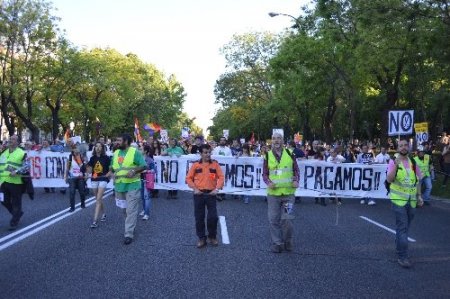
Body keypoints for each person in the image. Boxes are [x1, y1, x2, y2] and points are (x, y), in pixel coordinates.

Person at [386, 138, 423, 268]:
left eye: (405, 145)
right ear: (397, 148)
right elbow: (389, 180)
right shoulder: (393, 161)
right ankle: (403, 256)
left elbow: (417, 180)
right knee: (402, 228)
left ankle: (399, 245)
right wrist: (395, 165)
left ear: (409, 147)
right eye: (400, 145)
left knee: (405, 227)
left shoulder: (413, 161)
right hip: (398, 201)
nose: (403, 147)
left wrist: (419, 196)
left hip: (412, 201)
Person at [262, 132, 300, 253]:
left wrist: (296, 180)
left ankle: (288, 240)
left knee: (288, 220)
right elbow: (264, 173)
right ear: (271, 141)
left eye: (279, 138)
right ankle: (277, 243)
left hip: (288, 194)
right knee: (273, 219)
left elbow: (296, 170)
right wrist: (268, 182)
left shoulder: (290, 153)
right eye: (274, 139)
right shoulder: (267, 155)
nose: (276, 141)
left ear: (283, 141)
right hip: (273, 195)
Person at [106, 134, 147, 245]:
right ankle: (130, 226)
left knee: (131, 210)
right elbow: (112, 166)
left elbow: (144, 166)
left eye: (119, 140)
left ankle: (128, 234)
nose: (116, 142)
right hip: (119, 186)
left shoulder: (135, 152)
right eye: (116, 140)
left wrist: (134, 171)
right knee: (124, 210)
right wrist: (110, 171)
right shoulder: (115, 153)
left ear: (126, 141)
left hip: (133, 185)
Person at [186, 144, 224, 248]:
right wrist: (195, 189)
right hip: (199, 195)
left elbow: (221, 177)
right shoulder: (195, 165)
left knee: (213, 217)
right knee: (199, 217)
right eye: (205, 152)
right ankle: (202, 238)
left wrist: (217, 189)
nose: (208, 154)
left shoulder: (215, 165)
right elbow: (188, 178)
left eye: (209, 152)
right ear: (201, 154)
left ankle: (212, 236)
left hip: (211, 194)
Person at [0, 135, 29, 230]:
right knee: (3, 200)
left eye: (13, 139)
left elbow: (27, 166)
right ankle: (17, 214)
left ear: (18, 142)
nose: (10, 140)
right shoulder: (4, 152)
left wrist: (16, 172)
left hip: (15, 182)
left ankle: (14, 221)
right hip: (3, 181)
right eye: (10, 139)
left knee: (16, 202)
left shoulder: (22, 153)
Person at [86, 142, 111, 228]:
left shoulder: (107, 158)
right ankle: (103, 213)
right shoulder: (92, 158)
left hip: (103, 178)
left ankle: (95, 221)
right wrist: (86, 167)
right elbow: (89, 171)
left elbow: (111, 169)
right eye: (96, 146)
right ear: (94, 148)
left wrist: (109, 175)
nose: (98, 148)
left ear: (102, 148)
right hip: (94, 179)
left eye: (100, 146)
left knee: (98, 199)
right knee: (98, 199)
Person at [64, 147, 87, 212]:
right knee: (72, 192)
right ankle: (72, 207)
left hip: (80, 177)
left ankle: (83, 203)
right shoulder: (70, 158)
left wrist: (86, 175)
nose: (76, 150)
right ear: (72, 150)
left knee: (82, 192)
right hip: (72, 177)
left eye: (77, 149)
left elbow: (86, 167)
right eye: (75, 149)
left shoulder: (81, 157)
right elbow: (67, 168)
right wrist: (65, 177)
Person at [140, 145, 155, 220]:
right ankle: (144, 210)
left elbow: (154, 170)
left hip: (147, 180)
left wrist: (146, 171)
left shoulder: (150, 160)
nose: (139, 150)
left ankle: (147, 214)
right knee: (142, 197)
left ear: (145, 151)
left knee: (147, 197)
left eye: (141, 149)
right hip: (140, 180)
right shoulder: (139, 159)